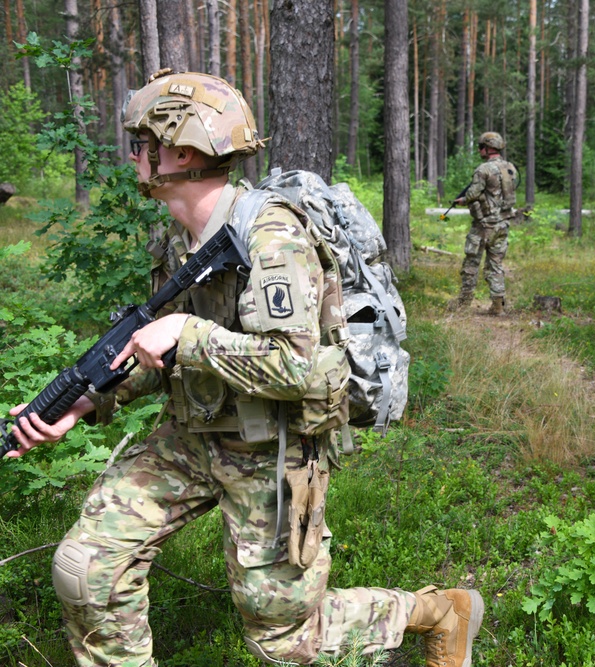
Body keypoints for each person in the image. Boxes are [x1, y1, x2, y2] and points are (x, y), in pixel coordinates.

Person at [5, 70, 482, 667]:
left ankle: (438, 612)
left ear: (179, 151)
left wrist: (189, 333)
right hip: (191, 434)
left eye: (139, 144)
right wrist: (83, 401)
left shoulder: (272, 237)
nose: (132, 156)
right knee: (86, 569)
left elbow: (305, 369)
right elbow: (158, 352)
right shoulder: (177, 238)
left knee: (285, 643)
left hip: (273, 445)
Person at [448, 131, 518, 316]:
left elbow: (472, 194)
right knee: (496, 264)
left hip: (483, 225)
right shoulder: (511, 168)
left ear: (488, 148)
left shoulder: (483, 169)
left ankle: (463, 305)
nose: (479, 150)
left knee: (471, 263)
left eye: (481, 147)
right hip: (502, 224)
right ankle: (498, 306)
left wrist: (463, 200)